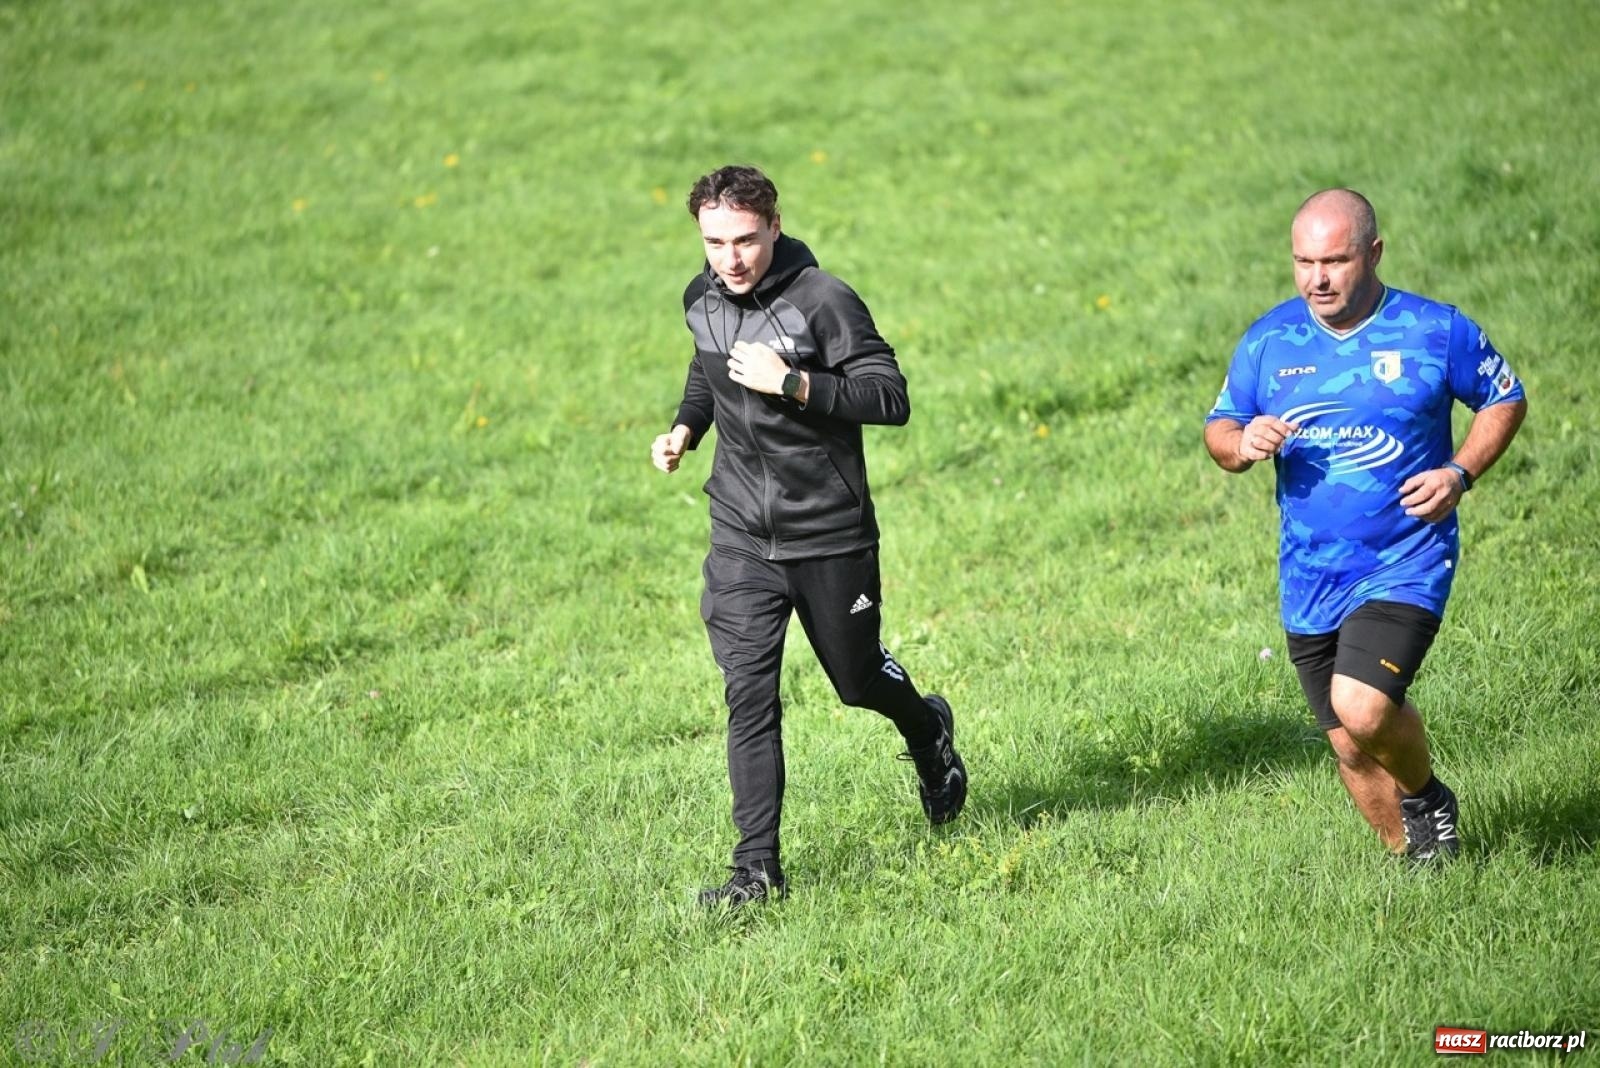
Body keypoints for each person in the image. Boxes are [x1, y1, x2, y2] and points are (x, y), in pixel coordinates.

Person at [652, 164, 967, 907]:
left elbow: (889, 398)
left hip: (828, 531)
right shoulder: (701, 295)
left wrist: (793, 384)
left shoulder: (823, 302)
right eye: (714, 241)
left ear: (775, 225)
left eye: (745, 240)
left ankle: (929, 733)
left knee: (856, 682)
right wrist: (685, 428)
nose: (730, 258)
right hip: (739, 533)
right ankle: (755, 873)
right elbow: (709, 368)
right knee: (749, 698)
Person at [1204, 188, 1526, 861]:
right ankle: (1417, 862)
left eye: (1334, 261)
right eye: (1303, 262)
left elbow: (1504, 397)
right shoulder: (1270, 341)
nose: (1316, 278)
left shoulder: (1434, 330)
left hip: (1405, 558)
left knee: (1365, 707)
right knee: (1348, 743)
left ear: (1373, 253)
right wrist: (1242, 444)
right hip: (1309, 573)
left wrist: (1458, 473)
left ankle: (1426, 795)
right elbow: (1220, 429)